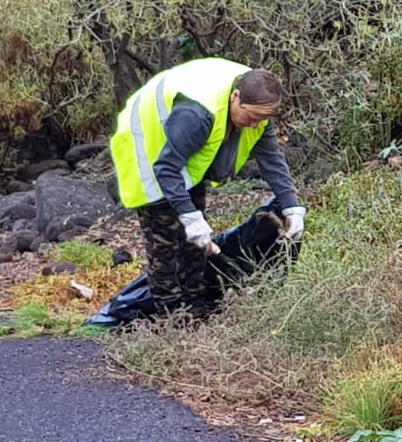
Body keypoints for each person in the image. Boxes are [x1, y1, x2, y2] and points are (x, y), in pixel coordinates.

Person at [109, 58, 305, 315]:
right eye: (252, 117)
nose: (256, 124)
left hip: (185, 155)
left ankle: (196, 312)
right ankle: (171, 322)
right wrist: (190, 217)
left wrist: (292, 207)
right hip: (149, 151)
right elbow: (166, 168)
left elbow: (273, 161)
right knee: (167, 247)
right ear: (236, 97)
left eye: (262, 119)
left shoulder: (258, 107)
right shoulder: (199, 114)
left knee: (195, 247)